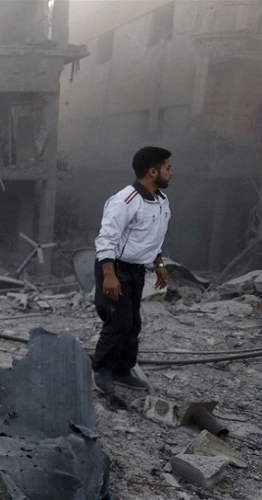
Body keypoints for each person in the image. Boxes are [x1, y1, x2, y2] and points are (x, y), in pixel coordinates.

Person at [91, 146, 172, 394]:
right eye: (167, 168)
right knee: (118, 322)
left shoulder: (161, 201)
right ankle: (101, 370)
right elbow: (106, 239)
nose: (170, 172)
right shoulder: (125, 200)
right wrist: (109, 275)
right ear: (152, 171)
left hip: (137, 269)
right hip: (115, 268)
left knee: (133, 323)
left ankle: (123, 371)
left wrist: (158, 265)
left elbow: (152, 237)